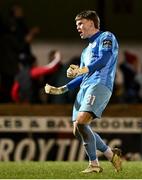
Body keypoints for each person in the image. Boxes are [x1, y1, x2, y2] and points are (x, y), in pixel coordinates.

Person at [44, 10, 122, 173]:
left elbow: (105, 58)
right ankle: (110, 154)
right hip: (84, 88)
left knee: (81, 122)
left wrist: (82, 70)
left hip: (100, 84)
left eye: (80, 23)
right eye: (76, 24)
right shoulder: (85, 51)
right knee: (78, 130)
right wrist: (62, 89)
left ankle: (94, 165)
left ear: (91, 23)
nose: (78, 27)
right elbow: (83, 75)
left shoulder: (106, 36)